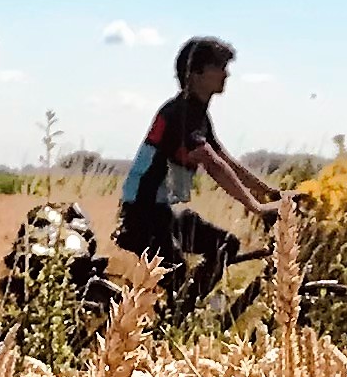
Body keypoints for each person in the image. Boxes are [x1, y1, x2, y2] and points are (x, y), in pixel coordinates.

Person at [116, 35, 284, 319]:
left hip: (161, 212)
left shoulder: (197, 113)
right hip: (143, 214)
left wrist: (271, 193)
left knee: (226, 246)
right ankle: (176, 319)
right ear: (196, 73)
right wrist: (256, 207)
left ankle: (181, 312)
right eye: (219, 66)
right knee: (178, 277)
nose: (226, 73)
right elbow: (212, 163)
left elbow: (225, 158)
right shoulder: (181, 112)